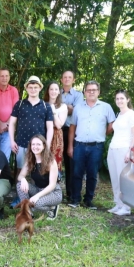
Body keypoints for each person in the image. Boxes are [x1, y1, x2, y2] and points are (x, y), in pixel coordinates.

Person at [67, 80, 116, 209]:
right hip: (79, 145)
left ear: (98, 92)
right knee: (77, 173)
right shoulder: (78, 107)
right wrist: (70, 146)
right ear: (84, 92)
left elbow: (112, 124)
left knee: (92, 174)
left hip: (96, 146)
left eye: (94, 90)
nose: (91, 92)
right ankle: (75, 199)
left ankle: (88, 200)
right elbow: (72, 127)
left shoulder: (106, 107)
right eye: (88, 90)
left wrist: (102, 135)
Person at [8, 76, 54, 170]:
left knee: (38, 171)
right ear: (27, 88)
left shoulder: (46, 106)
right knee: (19, 170)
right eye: (30, 87)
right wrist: (12, 141)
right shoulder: (19, 104)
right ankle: (18, 185)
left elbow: (50, 127)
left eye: (35, 87)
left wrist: (47, 144)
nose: (33, 90)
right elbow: (12, 123)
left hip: (39, 146)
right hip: (21, 144)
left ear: (40, 88)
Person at [107, 90, 134, 216]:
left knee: (122, 179)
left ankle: (126, 207)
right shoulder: (119, 114)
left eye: (122, 98)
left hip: (123, 149)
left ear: (128, 99)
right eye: (117, 99)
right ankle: (118, 204)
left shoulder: (132, 115)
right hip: (113, 148)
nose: (119, 101)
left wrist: (129, 151)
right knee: (114, 178)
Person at [15, 134, 63, 220]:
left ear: (44, 146)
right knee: (19, 185)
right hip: (38, 189)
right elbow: (20, 176)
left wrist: (37, 196)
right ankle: (28, 212)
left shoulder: (51, 162)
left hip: (53, 192)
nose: (35, 147)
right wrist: (23, 179)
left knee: (36, 204)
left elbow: (52, 185)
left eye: (38, 144)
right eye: (33, 144)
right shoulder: (30, 160)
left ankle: (52, 208)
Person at [60, 71, 84, 202]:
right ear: (61, 79)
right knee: (55, 162)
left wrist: (60, 107)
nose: (67, 79)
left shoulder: (78, 95)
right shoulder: (55, 92)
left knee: (71, 163)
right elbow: (50, 107)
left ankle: (71, 194)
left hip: (71, 131)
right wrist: (68, 107)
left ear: (73, 80)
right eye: (65, 77)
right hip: (56, 131)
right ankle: (55, 192)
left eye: (70, 77)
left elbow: (77, 110)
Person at [43, 81, 68, 171]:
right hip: (43, 133)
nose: (53, 91)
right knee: (41, 158)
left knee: (54, 160)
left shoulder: (63, 106)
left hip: (56, 136)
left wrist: (53, 109)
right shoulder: (42, 104)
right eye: (51, 89)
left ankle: (55, 182)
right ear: (48, 91)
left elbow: (58, 125)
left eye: (56, 89)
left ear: (59, 92)